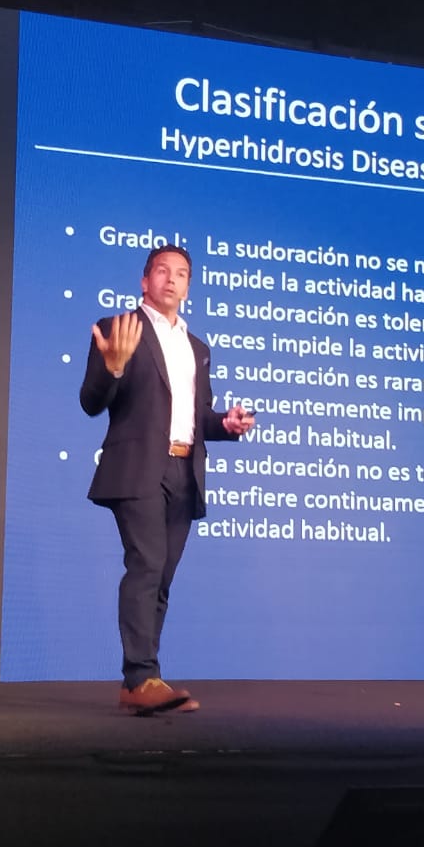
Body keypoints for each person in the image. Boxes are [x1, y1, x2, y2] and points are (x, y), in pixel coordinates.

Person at [80, 244, 255, 714]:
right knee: (146, 565)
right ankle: (141, 678)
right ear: (145, 281)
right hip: (138, 466)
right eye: (162, 271)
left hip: (184, 470)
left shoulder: (197, 348)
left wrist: (226, 424)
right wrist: (113, 367)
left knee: (162, 577)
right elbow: (91, 401)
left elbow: (197, 417)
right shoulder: (120, 329)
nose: (171, 279)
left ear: (188, 287)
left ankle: (141, 684)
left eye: (181, 273)